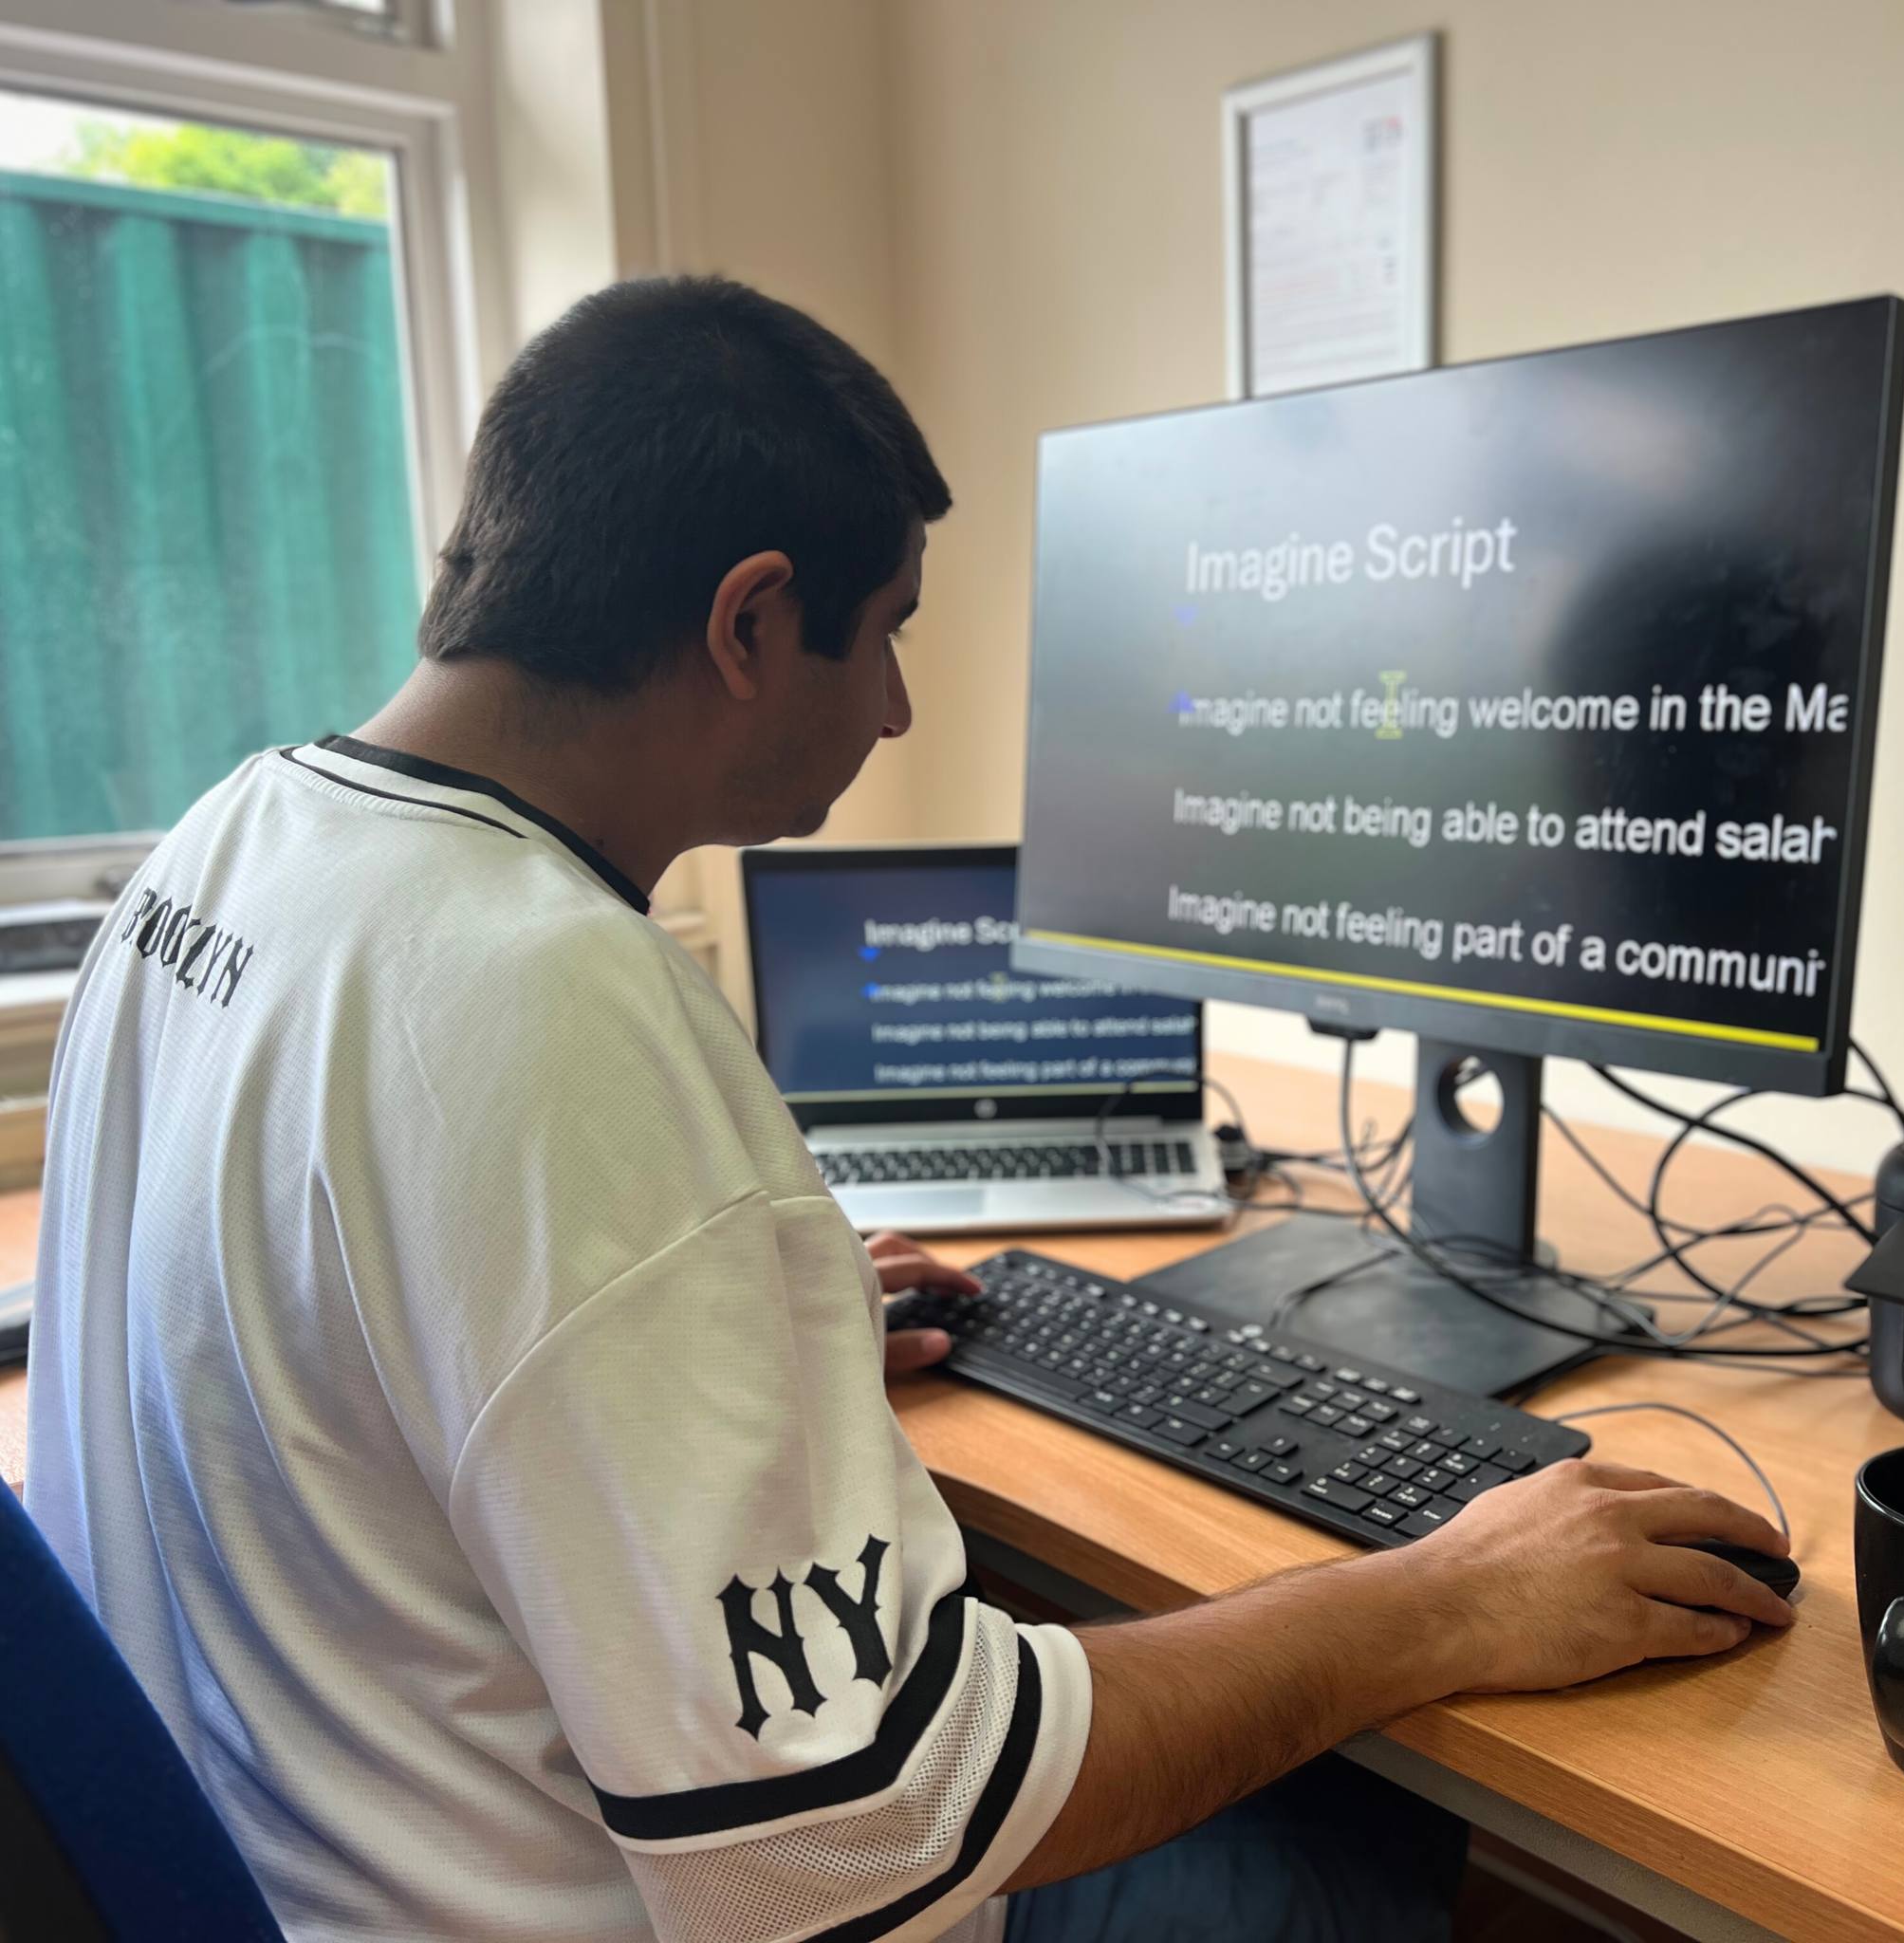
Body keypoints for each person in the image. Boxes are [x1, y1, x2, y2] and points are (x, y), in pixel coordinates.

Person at [25, 277, 1796, 1943]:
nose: (895, 707)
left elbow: (339, 1343)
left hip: (302, 1846)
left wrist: (714, 1349)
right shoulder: (548, 1002)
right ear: (745, 620)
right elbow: (866, 1833)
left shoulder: (236, 841)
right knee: (1365, 1816)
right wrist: (1445, 1597)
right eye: (879, 637)